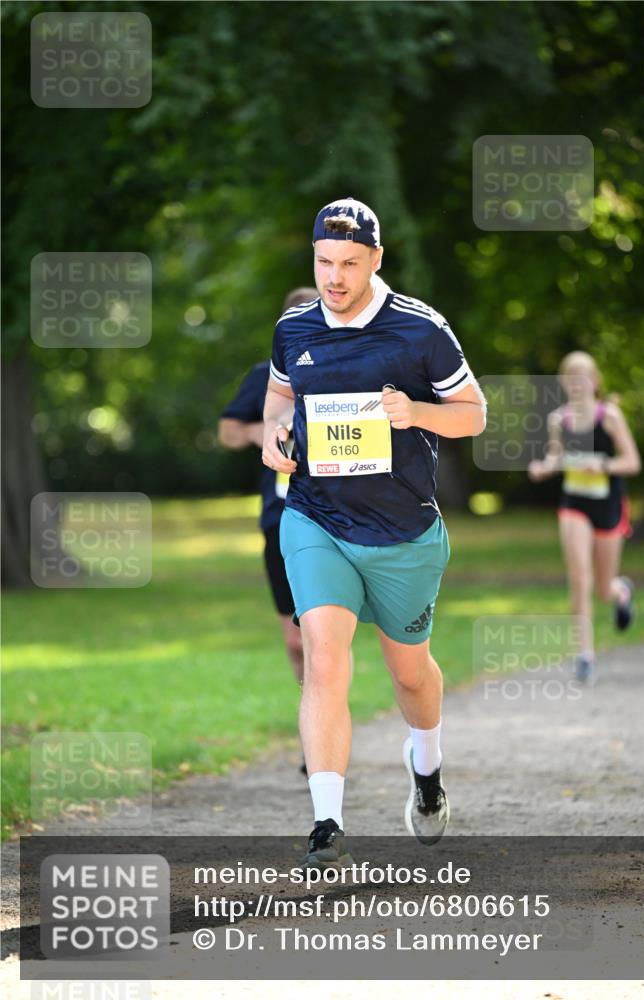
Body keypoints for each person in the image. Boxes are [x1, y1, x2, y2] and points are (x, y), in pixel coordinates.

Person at [261, 197, 486, 868]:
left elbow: (472, 415)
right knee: (323, 656)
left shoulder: (419, 331)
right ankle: (326, 821)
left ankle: (427, 772)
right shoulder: (293, 328)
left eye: (349, 264)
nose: (334, 277)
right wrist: (275, 438)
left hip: (401, 531)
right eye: (323, 262)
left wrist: (414, 410)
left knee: (409, 672)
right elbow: (279, 397)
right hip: (315, 518)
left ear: (376, 260)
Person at [218, 287, 318, 698]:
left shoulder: (350, 372)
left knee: (323, 639)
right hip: (280, 515)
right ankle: (311, 720)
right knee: (297, 642)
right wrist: (269, 429)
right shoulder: (265, 376)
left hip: (336, 515)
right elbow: (227, 432)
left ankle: (326, 731)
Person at [528, 351, 641, 682]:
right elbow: (556, 458)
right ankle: (585, 656)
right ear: (563, 383)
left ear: (594, 381)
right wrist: (543, 468)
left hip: (608, 505)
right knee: (580, 577)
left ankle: (621, 592)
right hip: (574, 503)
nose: (576, 383)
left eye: (583, 375)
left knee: (603, 588)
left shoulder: (610, 417)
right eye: (570, 376)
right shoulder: (558, 420)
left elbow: (632, 462)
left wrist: (603, 465)